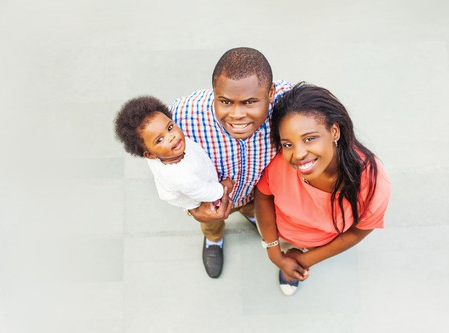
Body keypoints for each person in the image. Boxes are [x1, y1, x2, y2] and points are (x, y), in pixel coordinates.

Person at [254, 82, 391, 295]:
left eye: (309, 138)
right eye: (288, 144)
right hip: (281, 232)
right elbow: (263, 196)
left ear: (334, 131)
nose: (297, 154)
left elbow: (358, 231)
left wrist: (305, 259)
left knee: (292, 268)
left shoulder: (372, 183)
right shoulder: (279, 163)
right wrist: (274, 252)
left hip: (321, 242)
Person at [170, 47, 292, 278]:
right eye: (225, 101)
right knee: (211, 224)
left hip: (258, 193)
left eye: (249, 102)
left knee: (255, 207)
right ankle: (213, 241)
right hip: (212, 200)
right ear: (213, 92)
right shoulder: (181, 117)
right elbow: (164, 167)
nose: (236, 115)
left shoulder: (290, 103)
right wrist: (192, 209)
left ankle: (252, 215)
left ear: (271, 93)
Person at [114, 96, 234, 212]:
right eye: (160, 140)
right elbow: (203, 191)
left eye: (170, 127)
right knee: (212, 224)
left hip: (197, 177)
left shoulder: (162, 150)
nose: (171, 137)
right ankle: (213, 233)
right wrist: (223, 188)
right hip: (200, 198)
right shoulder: (181, 177)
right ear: (150, 155)